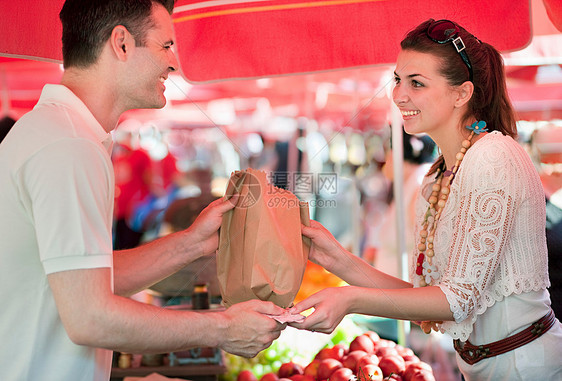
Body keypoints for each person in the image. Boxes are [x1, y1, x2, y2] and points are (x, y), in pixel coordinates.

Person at [0, 1, 286, 380]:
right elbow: (89, 317)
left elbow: (86, 277)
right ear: (121, 43)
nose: (174, 63)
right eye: (165, 46)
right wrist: (224, 328)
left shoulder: (62, 133)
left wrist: (193, 243)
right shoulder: (68, 144)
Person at [289, 19, 562, 380]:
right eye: (398, 80)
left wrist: (350, 298)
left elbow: (456, 301)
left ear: (462, 94)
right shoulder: (438, 175)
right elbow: (427, 300)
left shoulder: (493, 156)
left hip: (526, 366)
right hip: (485, 366)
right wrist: (334, 258)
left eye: (416, 83)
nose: (398, 94)